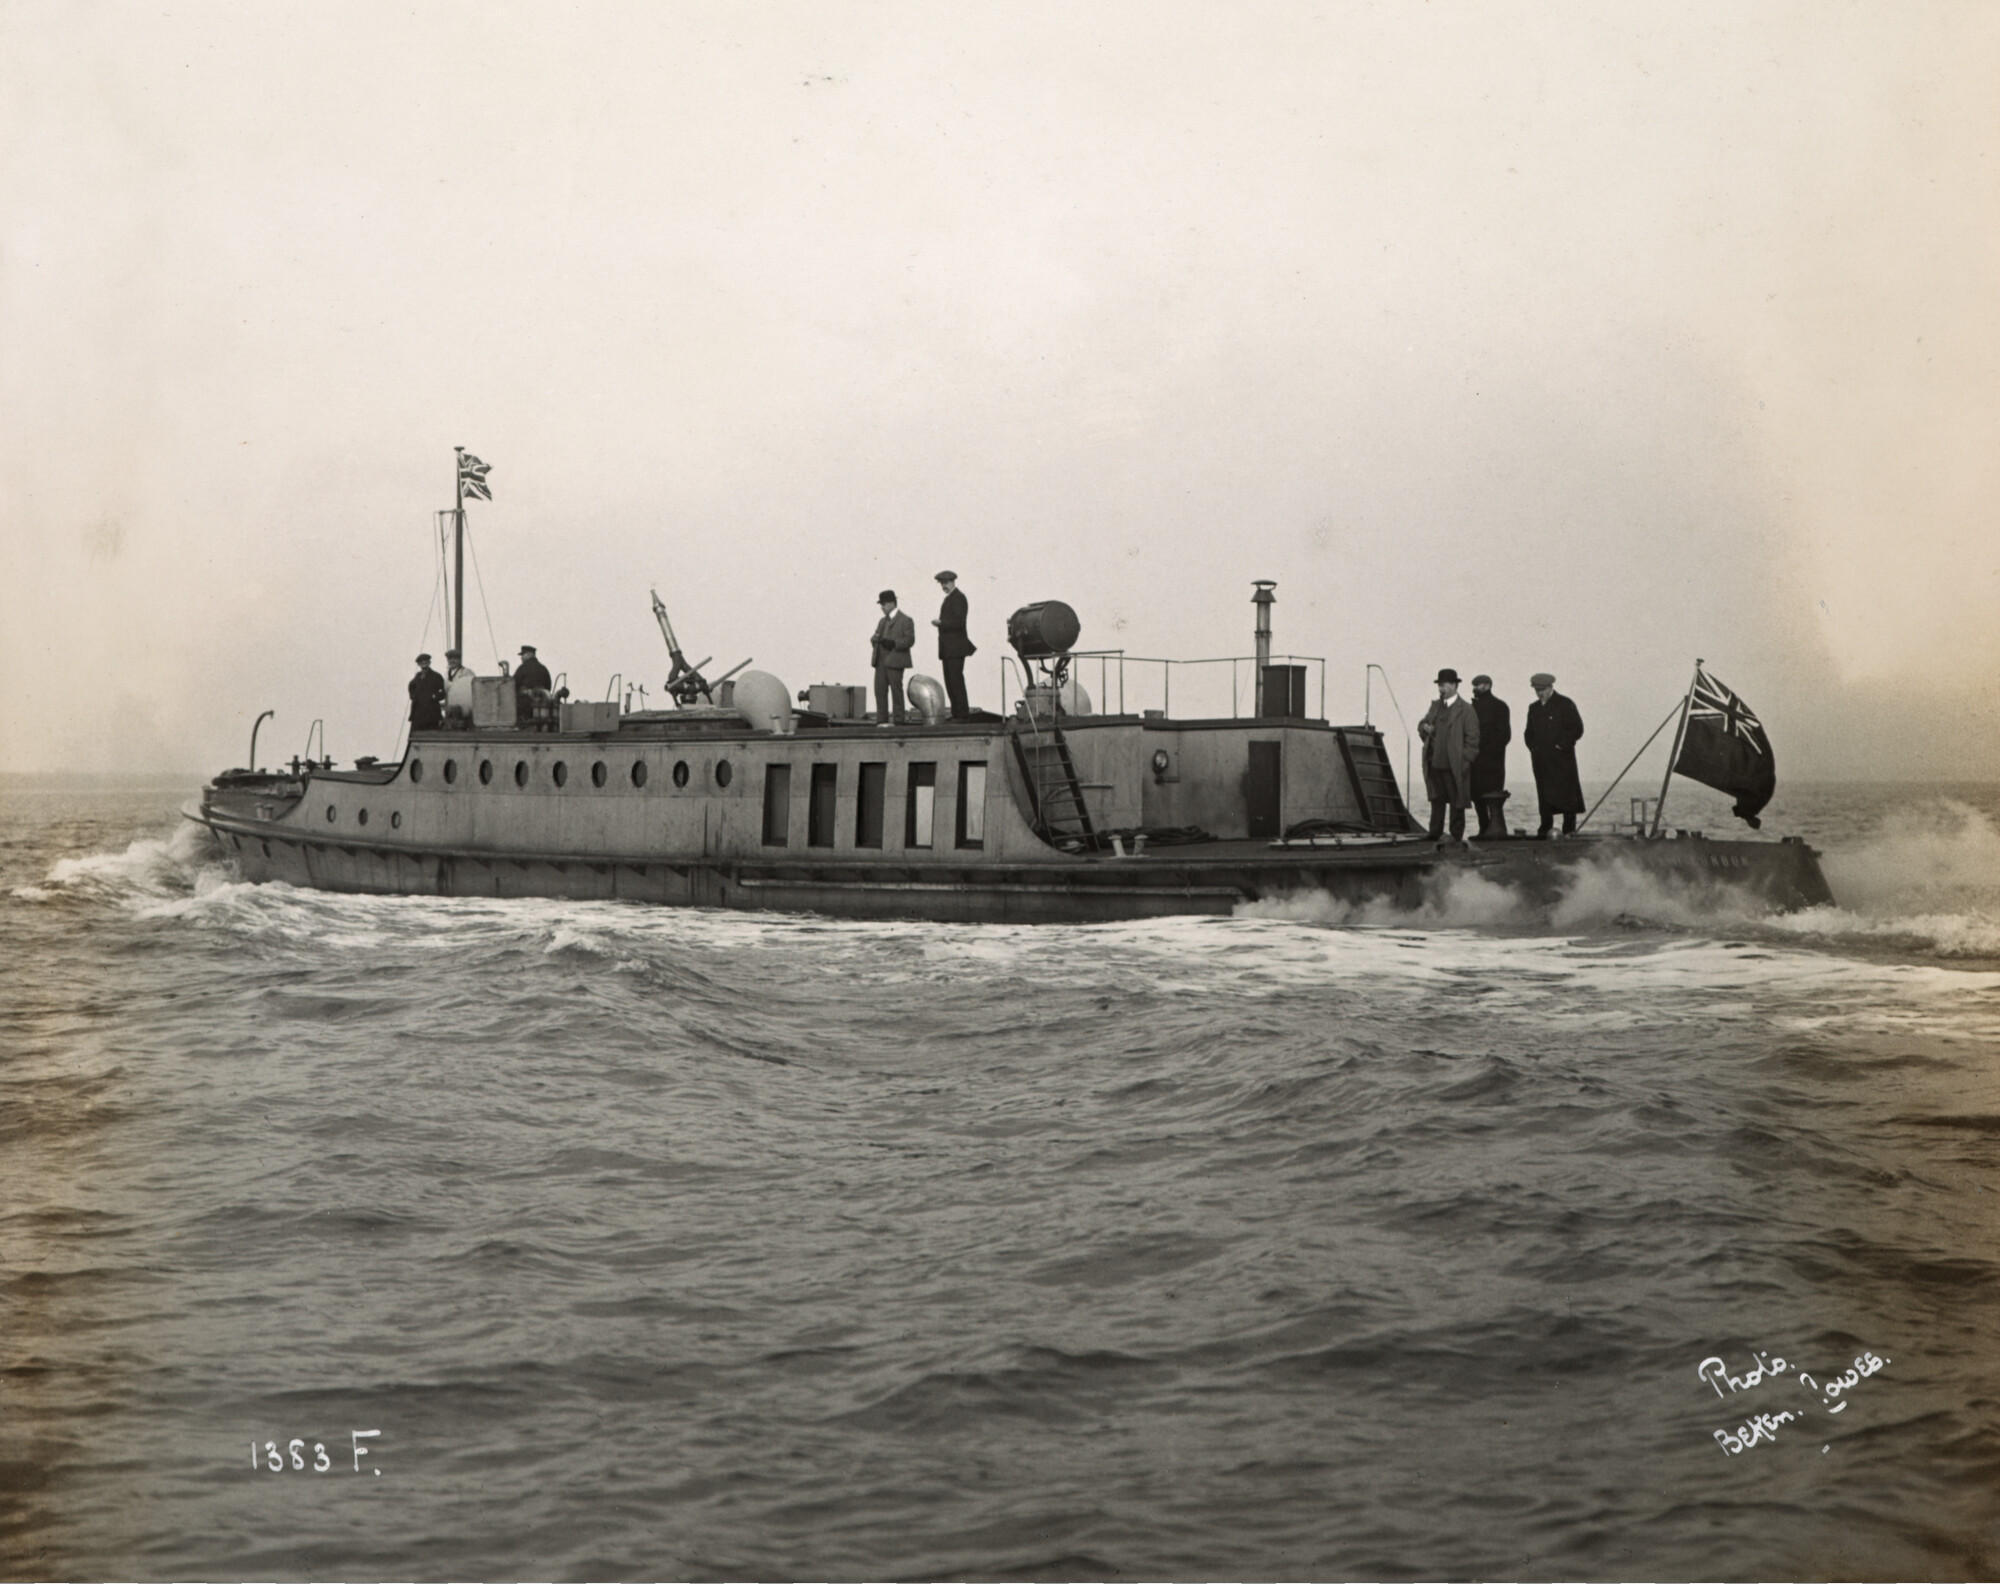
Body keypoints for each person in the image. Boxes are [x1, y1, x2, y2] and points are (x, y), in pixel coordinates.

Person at [1417, 668, 1480, 844]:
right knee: (1436, 799)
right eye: (1439, 685)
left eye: (1443, 685)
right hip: (1435, 762)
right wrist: (1424, 727)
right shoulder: (1435, 706)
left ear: (1454, 685)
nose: (1440, 689)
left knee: (1456, 800)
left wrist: (1465, 759)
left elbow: (1473, 739)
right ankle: (1434, 833)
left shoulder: (1466, 709)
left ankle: (1456, 836)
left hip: (1455, 765)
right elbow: (1422, 723)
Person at [1524, 671, 1586, 838]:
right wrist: (1534, 749)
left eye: (1543, 689)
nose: (1540, 693)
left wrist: (1561, 745)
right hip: (1542, 761)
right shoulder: (1534, 708)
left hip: (1562, 761)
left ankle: (1569, 831)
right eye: (1537, 690)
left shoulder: (1565, 704)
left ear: (1551, 687)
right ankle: (1545, 829)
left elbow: (1577, 729)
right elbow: (1528, 733)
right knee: (1544, 796)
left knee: (1567, 796)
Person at [1468, 674, 1512, 838]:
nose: (1475, 688)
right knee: (1478, 798)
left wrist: (1488, 752)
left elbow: (1504, 735)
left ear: (1487, 686)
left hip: (1492, 763)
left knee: (1493, 797)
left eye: (1478, 685)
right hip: (1476, 761)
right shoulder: (1472, 708)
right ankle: (1484, 829)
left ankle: (1496, 830)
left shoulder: (1500, 706)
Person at [931, 570, 976, 720]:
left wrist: (941, 623)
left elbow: (959, 622)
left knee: (955, 681)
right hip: (949, 649)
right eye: (942, 584)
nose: (944, 586)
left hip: (955, 649)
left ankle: (962, 714)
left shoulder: (958, 598)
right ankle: (958, 713)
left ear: (952, 582)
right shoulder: (951, 598)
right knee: (951, 681)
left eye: (945, 583)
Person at [870, 591, 916, 725]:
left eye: (883, 604)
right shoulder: (882, 622)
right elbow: (876, 636)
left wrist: (893, 643)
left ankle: (899, 721)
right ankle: (881, 721)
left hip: (895, 662)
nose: (882, 607)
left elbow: (910, 640)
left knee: (896, 692)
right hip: (880, 662)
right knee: (880, 692)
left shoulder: (906, 620)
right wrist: (874, 640)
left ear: (891, 603)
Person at [407, 653, 446, 733]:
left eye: (426, 663)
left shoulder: (436, 676)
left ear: (429, 663)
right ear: (419, 665)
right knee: (415, 737)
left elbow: (443, 691)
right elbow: (411, 687)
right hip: (417, 713)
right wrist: (413, 696)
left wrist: (435, 697)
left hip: (431, 713)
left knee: (431, 736)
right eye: (422, 663)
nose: (424, 665)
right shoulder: (417, 677)